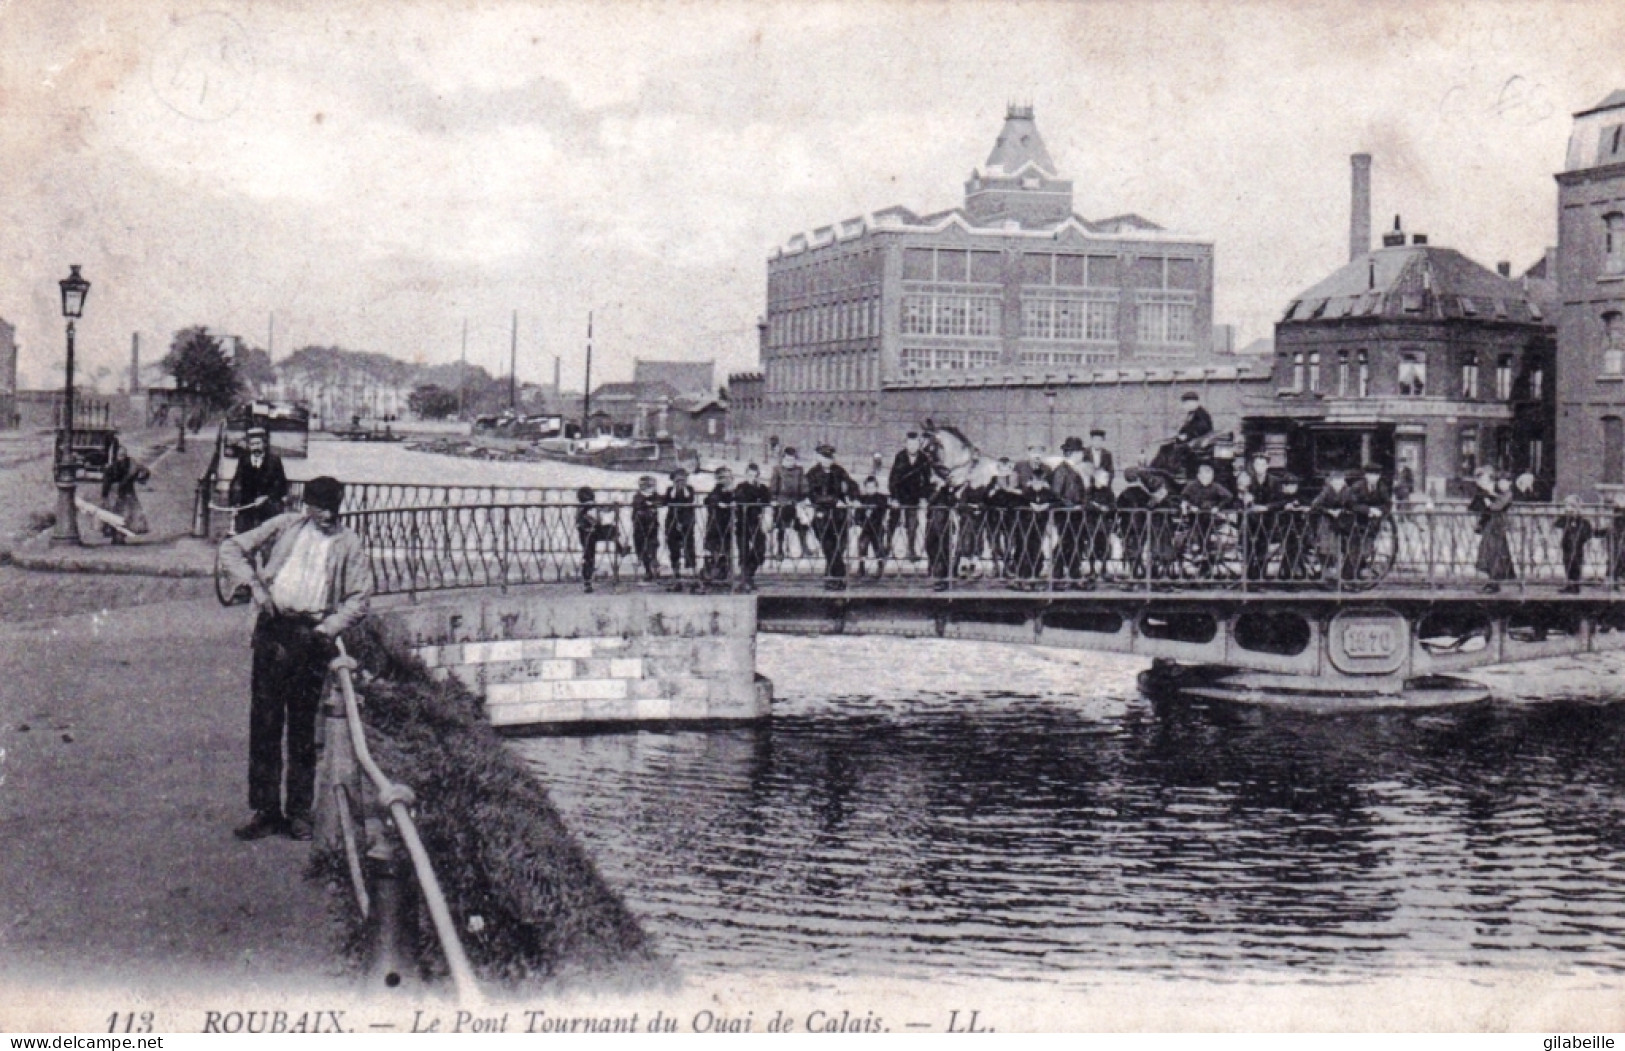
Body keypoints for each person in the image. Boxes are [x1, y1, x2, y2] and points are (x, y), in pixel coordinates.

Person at [219, 476, 372, 842]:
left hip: (312, 638)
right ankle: (265, 810)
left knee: (303, 729)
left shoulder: (349, 544)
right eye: (320, 508)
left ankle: (299, 813)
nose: (327, 516)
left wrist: (328, 628)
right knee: (265, 724)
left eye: (333, 509)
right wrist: (255, 587)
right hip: (273, 631)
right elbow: (231, 549)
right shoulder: (286, 525)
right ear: (307, 506)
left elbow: (359, 598)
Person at [806, 444, 858, 589]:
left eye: (830, 458)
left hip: (840, 517)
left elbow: (852, 484)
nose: (828, 461)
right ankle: (838, 576)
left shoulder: (839, 471)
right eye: (825, 457)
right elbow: (813, 496)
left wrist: (852, 496)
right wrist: (835, 501)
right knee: (829, 546)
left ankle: (832, 578)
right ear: (818, 457)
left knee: (840, 547)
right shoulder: (812, 474)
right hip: (822, 517)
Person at [229, 427, 289, 533]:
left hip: (268, 504)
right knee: (244, 531)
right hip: (248, 504)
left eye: (258, 443)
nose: (255, 447)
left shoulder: (274, 461)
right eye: (252, 444)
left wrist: (266, 497)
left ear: (264, 444)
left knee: (268, 530)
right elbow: (237, 481)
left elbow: (280, 484)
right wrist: (235, 502)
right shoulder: (244, 460)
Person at [1048, 437, 1089, 587]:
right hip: (1066, 513)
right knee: (1067, 542)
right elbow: (1056, 493)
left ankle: (1072, 574)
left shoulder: (1072, 469)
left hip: (1074, 513)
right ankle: (1059, 576)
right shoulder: (1062, 470)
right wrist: (1071, 506)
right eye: (1080, 452)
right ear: (1073, 453)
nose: (1083, 455)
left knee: (1073, 543)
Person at [1180, 462, 1232, 578]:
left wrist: (1218, 507)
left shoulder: (1216, 487)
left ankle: (1206, 568)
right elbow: (1183, 498)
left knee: (1209, 542)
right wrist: (1189, 506)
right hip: (1194, 519)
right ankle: (1195, 558)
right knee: (1194, 540)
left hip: (1210, 519)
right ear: (1198, 476)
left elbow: (1228, 496)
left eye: (1209, 476)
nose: (1206, 479)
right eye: (1203, 476)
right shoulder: (1192, 486)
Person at [887, 432, 933, 560]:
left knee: (912, 524)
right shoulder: (900, 457)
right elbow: (893, 479)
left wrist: (924, 497)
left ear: (919, 445)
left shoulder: (923, 459)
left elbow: (927, 480)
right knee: (893, 521)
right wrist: (894, 497)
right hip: (899, 493)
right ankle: (887, 548)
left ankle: (911, 550)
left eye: (915, 444)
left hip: (914, 496)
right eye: (910, 444)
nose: (912, 447)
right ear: (905, 444)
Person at [1470, 469, 1516, 593]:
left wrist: (1488, 499)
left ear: (1509, 483)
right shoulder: (1501, 493)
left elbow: (1496, 507)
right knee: (1489, 552)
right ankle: (1491, 581)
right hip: (1493, 524)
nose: (1501, 484)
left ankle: (1494, 582)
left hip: (1497, 525)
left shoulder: (1508, 494)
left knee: (1495, 553)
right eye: (1500, 481)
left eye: (1504, 482)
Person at [1310, 470, 1359, 584]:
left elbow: (1353, 504)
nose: (1338, 484)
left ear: (1344, 482)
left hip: (1342, 522)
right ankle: (1324, 571)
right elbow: (1316, 504)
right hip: (1327, 521)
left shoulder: (1347, 492)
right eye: (1335, 482)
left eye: (1340, 482)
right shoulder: (1326, 491)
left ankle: (1337, 572)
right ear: (1330, 482)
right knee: (1325, 545)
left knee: (1341, 545)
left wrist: (1342, 511)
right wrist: (1328, 511)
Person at [1346, 464, 1393, 580]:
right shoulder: (1357, 487)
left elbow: (1388, 504)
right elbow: (1351, 504)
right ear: (1366, 476)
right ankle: (1350, 576)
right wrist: (1368, 510)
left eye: (1376, 475)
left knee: (1366, 550)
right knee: (1354, 549)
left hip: (1372, 524)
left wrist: (1379, 511)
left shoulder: (1381, 487)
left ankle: (1358, 573)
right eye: (1371, 475)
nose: (1374, 478)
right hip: (1356, 523)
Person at [99, 445, 151, 544]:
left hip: (127, 493)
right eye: (120, 455)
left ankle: (120, 536)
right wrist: (105, 494)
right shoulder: (112, 467)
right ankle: (115, 536)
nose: (121, 458)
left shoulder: (131, 465)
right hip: (114, 493)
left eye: (123, 455)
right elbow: (107, 481)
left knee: (127, 515)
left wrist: (139, 477)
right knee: (114, 514)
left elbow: (144, 471)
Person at [733, 463, 772, 591]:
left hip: (757, 522)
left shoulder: (762, 488)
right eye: (750, 475)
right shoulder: (741, 487)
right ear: (746, 475)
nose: (752, 478)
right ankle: (746, 579)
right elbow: (740, 499)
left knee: (760, 549)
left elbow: (767, 500)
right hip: (743, 522)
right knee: (743, 550)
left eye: (755, 476)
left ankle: (748, 575)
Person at [575, 486, 620, 593]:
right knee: (589, 556)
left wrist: (612, 507)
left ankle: (620, 547)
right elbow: (584, 521)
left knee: (612, 530)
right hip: (587, 534)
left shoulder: (591, 506)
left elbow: (603, 509)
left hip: (593, 532)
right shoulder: (582, 509)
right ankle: (587, 581)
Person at [1271, 473, 1311, 581]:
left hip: (1298, 528)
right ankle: (1289, 574)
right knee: (1291, 550)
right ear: (1284, 486)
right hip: (1283, 528)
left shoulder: (1298, 497)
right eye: (1289, 485)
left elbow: (1308, 503)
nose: (1292, 488)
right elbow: (1274, 505)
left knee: (1295, 550)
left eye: (1294, 485)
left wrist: (1304, 507)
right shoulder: (1279, 496)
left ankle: (1290, 573)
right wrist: (1285, 506)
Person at [771, 447, 810, 559]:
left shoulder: (799, 470)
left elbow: (803, 485)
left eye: (792, 460)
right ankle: (779, 549)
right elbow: (773, 487)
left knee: (803, 522)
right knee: (781, 525)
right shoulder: (778, 470)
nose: (790, 462)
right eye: (788, 459)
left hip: (796, 501)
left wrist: (803, 497)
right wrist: (775, 499)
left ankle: (804, 547)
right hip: (782, 502)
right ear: (783, 459)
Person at [701, 467, 736, 584]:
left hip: (726, 525)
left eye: (730, 477)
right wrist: (719, 503)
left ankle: (724, 573)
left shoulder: (732, 491)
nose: (729, 480)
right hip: (715, 525)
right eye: (725, 477)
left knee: (725, 549)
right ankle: (712, 572)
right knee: (713, 549)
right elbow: (709, 500)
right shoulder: (717, 490)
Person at [1083, 466, 1117, 584]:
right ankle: (1092, 570)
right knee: (1091, 545)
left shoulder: (1108, 492)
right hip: (1092, 523)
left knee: (1105, 546)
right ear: (1097, 478)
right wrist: (1098, 507)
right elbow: (1086, 503)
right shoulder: (1090, 490)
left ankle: (1104, 569)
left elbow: (1113, 505)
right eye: (1104, 477)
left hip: (1104, 524)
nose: (1107, 479)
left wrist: (1107, 509)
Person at [924, 473, 957, 592]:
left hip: (944, 522)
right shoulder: (929, 487)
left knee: (943, 549)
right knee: (929, 546)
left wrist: (950, 489)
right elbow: (929, 500)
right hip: (932, 522)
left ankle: (942, 579)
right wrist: (938, 488)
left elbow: (952, 502)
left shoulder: (947, 489)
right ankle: (935, 573)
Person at [853, 476, 891, 579]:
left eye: (872, 487)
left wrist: (873, 509)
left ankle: (880, 569)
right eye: (868, 487)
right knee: (862, 545)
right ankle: (861, 568)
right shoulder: (862, 498)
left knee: (878, 547)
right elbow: (858, 512)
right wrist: (859, 520)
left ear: (876, 487)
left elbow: (883, 506)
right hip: (866, 527)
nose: (870, 489)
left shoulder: (881, 497)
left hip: (877, 526)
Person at [1556, 496, 1594, 594]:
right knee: (1567, 563)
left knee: (1576, 565)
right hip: (1566, 545)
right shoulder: (1564, 519)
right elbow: (1556, 526)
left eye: (1572, 506)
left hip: (1578, 547)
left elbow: (1588, 533)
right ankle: (1569, 584)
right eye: (1567, 506)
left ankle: (1576, 586)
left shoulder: (1583, 521)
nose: (1569, 509)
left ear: (1578, 508)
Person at [663, 468, 697, 579]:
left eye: (683, 480)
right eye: (678, 481)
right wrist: (674, 490)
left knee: (689, 544)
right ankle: (675, 569)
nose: (681, 483)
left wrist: (684, 489)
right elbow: (666, 501)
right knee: (673, 545)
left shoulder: (690, 489)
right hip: (672, 521)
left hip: (687, 521)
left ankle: (690, 569)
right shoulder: (670, 490)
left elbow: (690, 499)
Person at [1172, 390, 1214, 478]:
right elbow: (1185, 428)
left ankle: (1177, 471)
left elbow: (1202, 427)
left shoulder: (1201, 414)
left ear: (1193, 403)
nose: (1184, 406)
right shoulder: (1192, 414)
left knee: (1175, 449)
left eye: (1186, 404)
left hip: (1198, 444)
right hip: (1194, 442)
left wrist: (1187, 435)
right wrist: (1181, 434)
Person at [631, 475, 663, 582]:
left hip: (652, 525)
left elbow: (661, 501)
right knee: (641, 548)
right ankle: (647, 569)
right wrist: (646, 505)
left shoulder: (654, 495)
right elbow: (637, 504)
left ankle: (654, 566)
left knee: (653, 545)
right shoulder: (638, 496)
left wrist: (653, 504)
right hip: (639, 526)